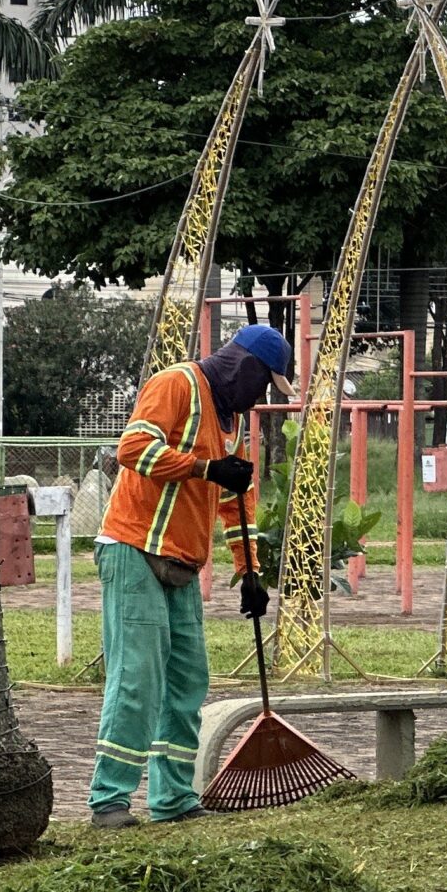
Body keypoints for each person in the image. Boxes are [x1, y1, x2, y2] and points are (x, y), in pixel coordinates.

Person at [89, 324, 292, 827]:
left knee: (187, 681)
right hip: (133, 548)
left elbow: (235, 501)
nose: (261, 397)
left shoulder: (231, 423)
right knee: (138, 677)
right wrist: (205, 469)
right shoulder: (176, 384)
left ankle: (174, 799)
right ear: (245, 365)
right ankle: (109, 800)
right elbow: (132, 449)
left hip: (182, 562)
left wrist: (250, 572)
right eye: (263, 384)